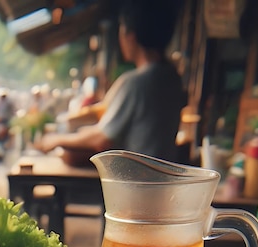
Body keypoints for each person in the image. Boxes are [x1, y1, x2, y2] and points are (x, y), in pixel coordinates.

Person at [37, 0, 186, 163]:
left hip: (137, 181)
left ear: (130, 36)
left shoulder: (136, 83)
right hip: (165, 179)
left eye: (121, 29)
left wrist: (57, 139)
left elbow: (101, 139)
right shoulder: (172, 78)